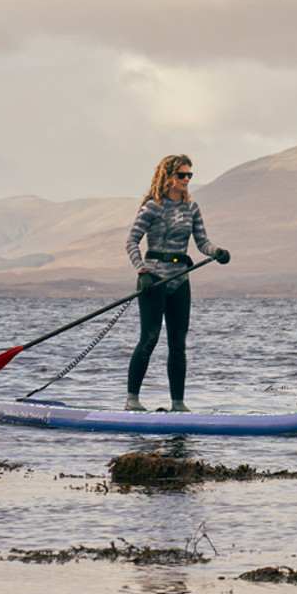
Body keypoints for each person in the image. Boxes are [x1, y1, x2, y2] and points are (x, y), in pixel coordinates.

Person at [124, 154, 229, 412]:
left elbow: (202, 241)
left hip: (179, 280)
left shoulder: (191, 207)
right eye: (181, 175)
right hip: (154, 281)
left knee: (178, 344)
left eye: (189, 175)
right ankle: (132, 400)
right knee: (149, 339)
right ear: (168, 177)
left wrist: (216, 251)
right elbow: (131, 243)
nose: (186, 180)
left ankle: (178, 405)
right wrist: (142, 272)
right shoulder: (152, 207)